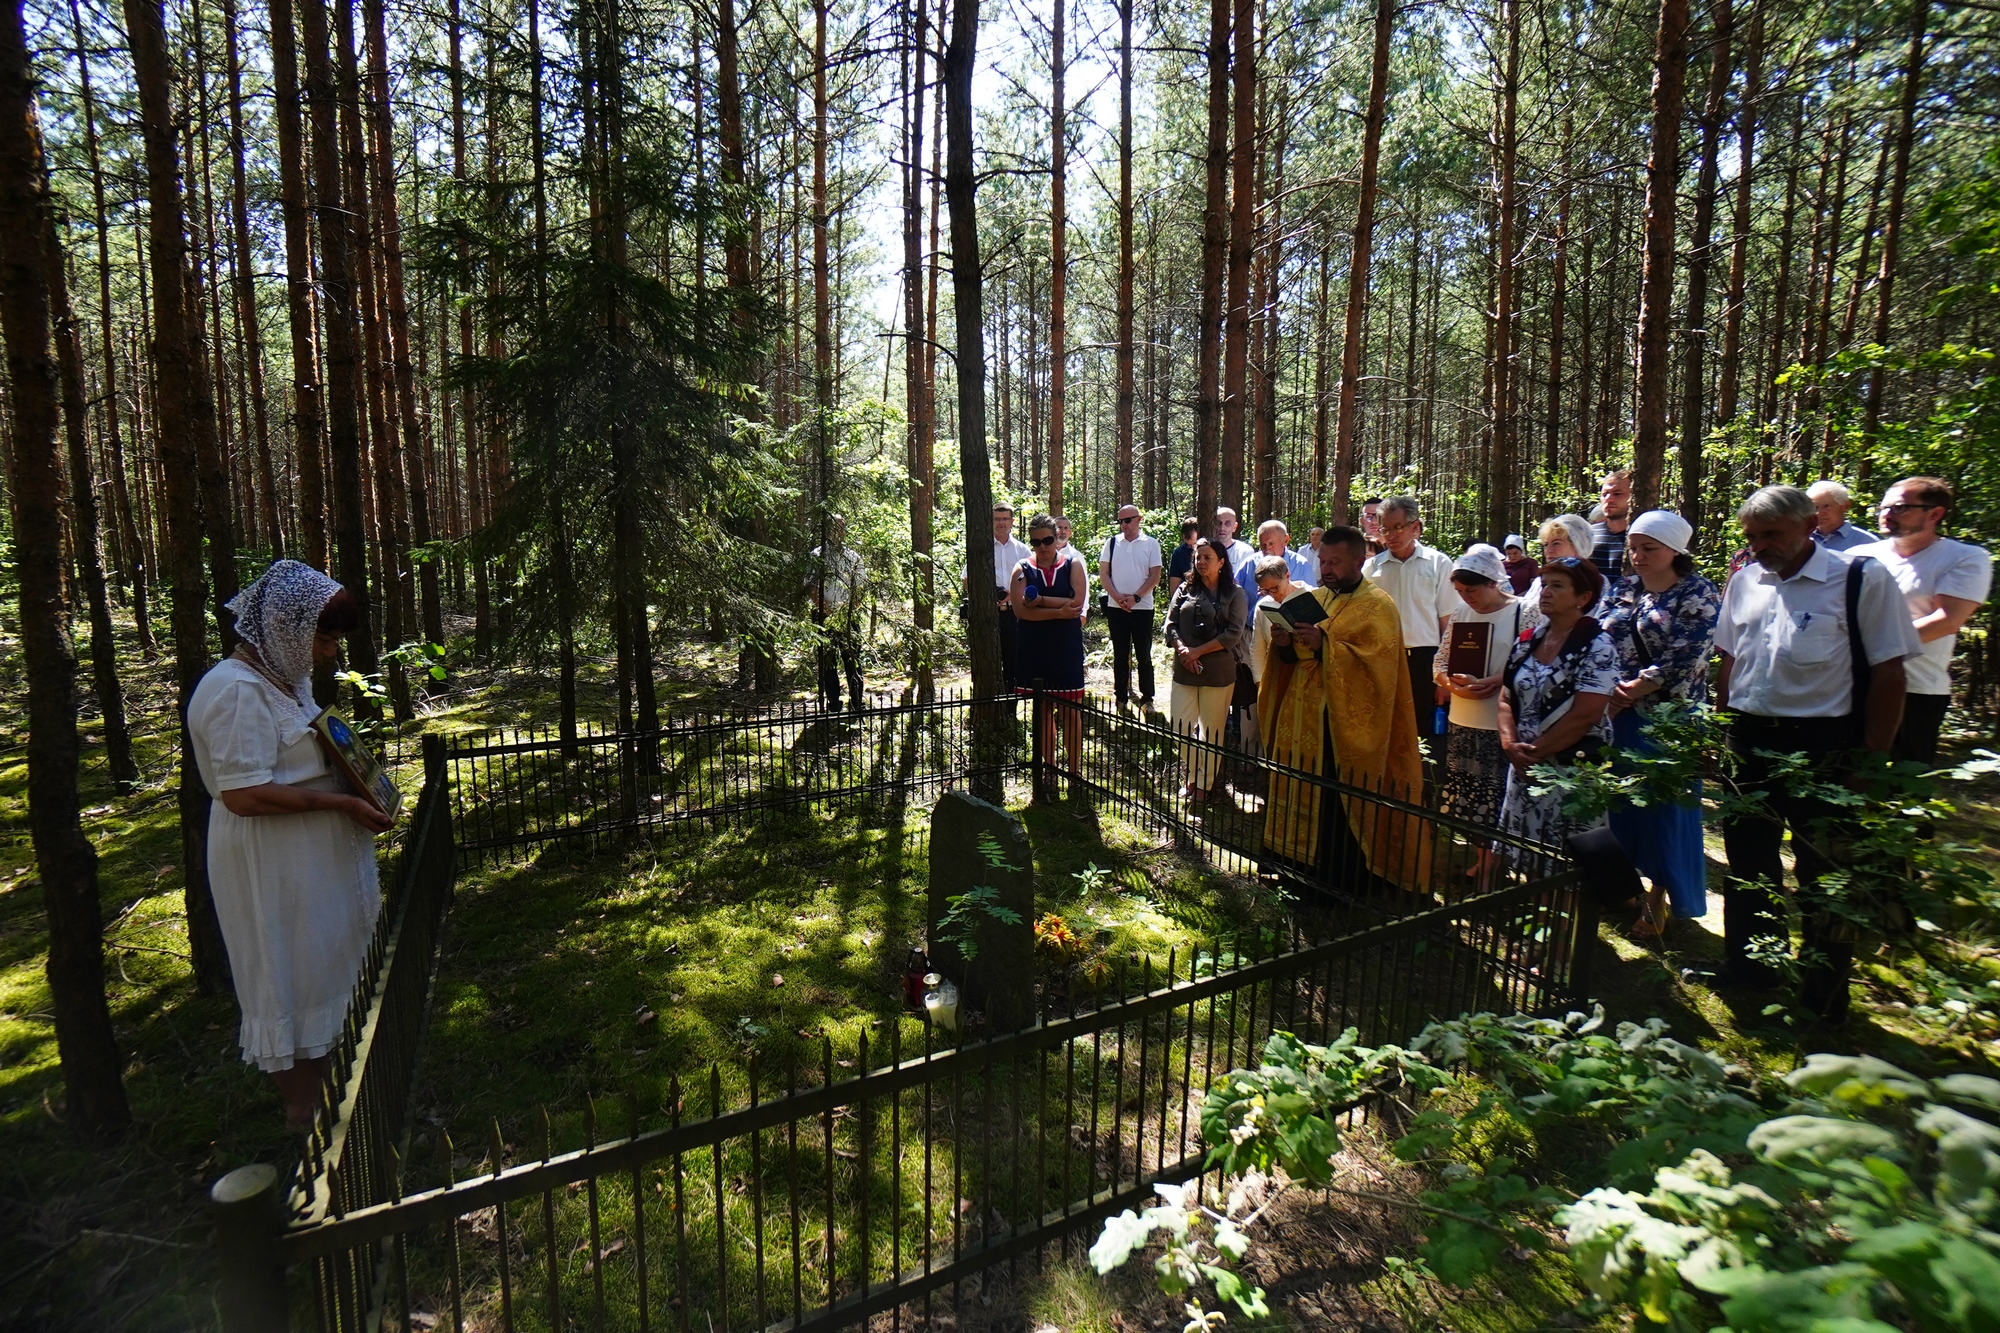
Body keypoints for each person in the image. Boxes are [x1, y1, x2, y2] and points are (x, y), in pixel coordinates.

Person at [186, 561, 395, 1130]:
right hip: (272, 862)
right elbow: (245, 794)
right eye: (323, 639)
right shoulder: (233, 692)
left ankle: (343, 1091)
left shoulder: (284, 683)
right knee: (290, 969)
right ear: (284, 629)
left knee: (323, 962)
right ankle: (307, 1116)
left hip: (310, 859)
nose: (329, 653)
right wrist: (342, 804)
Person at [1715, 484, 1920, 1025]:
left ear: (1809, 524)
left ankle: (1824, 995)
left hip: (1825, 748)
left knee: (1823, 872)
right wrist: (1723, 731)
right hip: (1749, 741)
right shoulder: (1745, 581)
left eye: (1772, 534)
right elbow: (1729, 661)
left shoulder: (1859, 579)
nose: (1760, 546)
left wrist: (1870, 759)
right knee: (1749, 863)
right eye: (1752, 537)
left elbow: (1889, 672)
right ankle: (1752, 970)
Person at [1259, 528, 1428, 893]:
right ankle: (1289, 865)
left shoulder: (1378, 605)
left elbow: (1379, 670)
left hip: (1339, 724)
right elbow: (1293, 659)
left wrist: (1327, 646)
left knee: (1335, 799)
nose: (1327, 567)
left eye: (1335, 561)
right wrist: (1284, 644)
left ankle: (1331, 883)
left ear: (1359, 559)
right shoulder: (1316, 597)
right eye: (1323, 560)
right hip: (1302, 713)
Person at [1599, 511, 1722, 937]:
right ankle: (1622, 889)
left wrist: (1629, 690)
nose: (1637, 555)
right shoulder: (1626, 588)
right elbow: (1601, 636)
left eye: (1648, 548)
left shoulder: (1697, 591)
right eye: (1633, 547)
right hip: (1617, 715)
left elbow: (1687, 656)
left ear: (1676, 550)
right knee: (1619, 806)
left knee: (1663, 810)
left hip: (1669, 721)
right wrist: (1607, 690)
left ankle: (1658, 901)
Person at [1852, 477, 1993, 766]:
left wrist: (1864, 652)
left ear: (1935, 513)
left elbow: (1946, 621)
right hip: (1850, 684)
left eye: (1900, 507)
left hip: (1914, 690)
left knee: (1900, 788)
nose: (1886, 514)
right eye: (1883, 507)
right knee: (1842, 780)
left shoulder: (1965, 558)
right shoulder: (1857, 557)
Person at [1497, 557, 1620, 850]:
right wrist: (1509, 745)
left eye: (1557, 586)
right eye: (1544, 584)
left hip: (1570, 772)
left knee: (1567, 865)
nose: (1545, 592)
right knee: (1524, 854)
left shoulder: (1597, 645)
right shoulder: (1527, 641)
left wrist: (1534, 753)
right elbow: (1505, 698)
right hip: (1524, 768)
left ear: (1583, 597)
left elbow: (1586, 715)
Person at [1434, 545, 1540, 882]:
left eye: (1472, 590)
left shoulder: (1524, 611)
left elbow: (1537, 661)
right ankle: (1484, 861)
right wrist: (1450, 685)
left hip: (1501, 723)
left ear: (1494, 583)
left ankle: (1500, 864)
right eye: (1460, 592)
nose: (1467, 598)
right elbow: (1440, 662)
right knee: (1471, 800)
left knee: (1497, 799)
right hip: (1463, 719)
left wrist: (1499, 680)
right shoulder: (1463, 614)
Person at [1361, 496, 1460, 745]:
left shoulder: (1439, 564)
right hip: (1383, 658)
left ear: (1415, 527)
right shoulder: (1372, 569)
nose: (1392, 535)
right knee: (1385, 730)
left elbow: (1448, 624)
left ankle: (1419, 784)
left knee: (1420, 735)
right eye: (1385, 528)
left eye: (1398, 527)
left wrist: (1445, 678)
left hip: (1425, 661)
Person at [1165, 538, 1247, 802]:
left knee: (1211, 731)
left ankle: (1204, 783)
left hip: (1218, 673)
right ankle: (1193, 774)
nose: (1201, 562)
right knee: (1180, 726)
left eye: (1207, 557)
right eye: (1197, 558)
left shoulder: (1235, 593)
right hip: (1184, 669)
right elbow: (1170, 624)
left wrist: (1197, 652)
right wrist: (1182, 650)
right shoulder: (1184, 590)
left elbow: (1233, 634)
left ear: (1221, 562)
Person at [1010, 514, 1088, 776]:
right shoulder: (1021, 568)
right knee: (1042, 710)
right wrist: (1059, 609)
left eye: (1047, 540)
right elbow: (1021, 611)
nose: (1042, 546)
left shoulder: (1073, 564)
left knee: (1071, 711)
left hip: (1065, 646)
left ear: (1057, 538)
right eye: (1036, 542)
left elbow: (1077, 603)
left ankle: (1075, 771)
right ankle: (1049, 769)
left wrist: (1041, 600)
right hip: (1035, 646)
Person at [1098, 504, 1164, 707]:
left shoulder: (1151, 544)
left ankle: (1147, 697)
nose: (1123, 525)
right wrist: (1117, 597)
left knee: (1143, 653)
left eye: (1127, 520)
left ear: (1139, 519)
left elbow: (1155, 575)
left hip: (1142, 608)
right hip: (1116, 607)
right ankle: (1121, 696)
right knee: (1120, 653)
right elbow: (1104, 574)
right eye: (1120, 521)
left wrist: (1136, 597)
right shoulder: (1111, 543)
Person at [966, 504, 1033, 689]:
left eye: (1005, 519)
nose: (1001, 523)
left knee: (1013, 659)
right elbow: (967, 579)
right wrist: (986, 596)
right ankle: (988, 702)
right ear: (991, 521)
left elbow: (1034, 579)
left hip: (1014, 613)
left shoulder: (1022, 550)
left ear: (1012, 521)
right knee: (986, 659)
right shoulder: (981, 548)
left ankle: (1010, 708)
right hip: (987, 614)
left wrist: (1014, 593)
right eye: (997, 519)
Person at [807, 517, 865, 712]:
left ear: (844, 531)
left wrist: (845, 611)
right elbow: (811, 587)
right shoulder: (816, 555)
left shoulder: (853, 557)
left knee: (853, 660)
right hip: (823, 617)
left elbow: (860, 588)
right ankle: (833, 705)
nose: (836, 532)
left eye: (840, 528)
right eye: (832, 527)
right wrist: (827, 610)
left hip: (849, 617)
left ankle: (857, 703)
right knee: (828, 662)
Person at [1249, 554, 1311, 687]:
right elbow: (1257, 648)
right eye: (1265, 590)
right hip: (1278, 676)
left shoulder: (1312, 596)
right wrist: (1259, 682)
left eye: (1275, 588)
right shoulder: (1263, 607)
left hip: (1311, 677)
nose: (1271, 593)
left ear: (1287, 576)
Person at [1519, 514, 1598, 613]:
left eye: (1556, 543)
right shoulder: (1540, 582)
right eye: (1546, 544)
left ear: (1577, 547)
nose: (1548, 550)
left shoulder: (1593, 582)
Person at [1590, 469, 1634, 583]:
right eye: (1605, 494)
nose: (1608, 499)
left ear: (1633, 496)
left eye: (1617, 493)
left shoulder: (1642, 537)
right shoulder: (1588, 535)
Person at [1808, 480, 1875, 552]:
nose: (1819, 512)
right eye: (1815, 507)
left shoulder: (1866, 542)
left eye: (1826, 506)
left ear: (1845, 506)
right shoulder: (1802, 538)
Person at [1255, 518, 1317, 587]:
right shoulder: (1249, 565)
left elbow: (1313, 595)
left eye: (1271, 543)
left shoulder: (1301, 565)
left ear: (1286, 540)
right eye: (1262, 544)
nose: (1267, 548)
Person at [1054, 516, 1091, 623]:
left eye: (1066, 528)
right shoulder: (1042, 554)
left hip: (1071, 610)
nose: (1062, 531)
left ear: (1070, 533)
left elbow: (1084, 585)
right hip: (1047, 610)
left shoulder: (1076, 556)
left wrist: (1083, 612)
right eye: (1059, 527)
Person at [1166, 518, 1200, 599]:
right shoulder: (1179, 553)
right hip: (1187, 599)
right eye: (1189, 545)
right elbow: (1174, 583)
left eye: (1194, 544)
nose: (1192, 548)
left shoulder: (1214, 550)